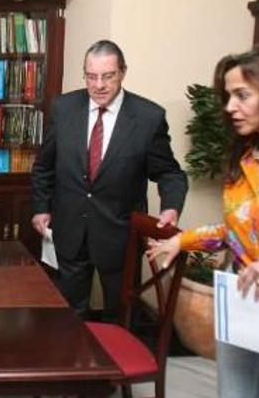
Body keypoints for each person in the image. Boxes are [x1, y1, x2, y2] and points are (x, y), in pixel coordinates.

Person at [148, 43, 259, 398]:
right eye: (228, 95)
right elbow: (240, 229)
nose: (229, 107)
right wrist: (181, 241)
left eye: (241, 95)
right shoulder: (246, 158)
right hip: (247, 297)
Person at [30, 39, 188, 319]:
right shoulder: (64, 108)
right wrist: (41, 207)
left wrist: (171, 207)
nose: (99, 85)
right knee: (69, 315)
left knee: (121, 315)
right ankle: (72, 361)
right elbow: (45, 165)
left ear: (123, 73)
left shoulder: (148, 117)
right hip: (69, 231)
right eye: (91, 76)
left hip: (120, 237)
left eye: (108, 76)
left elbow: (169, 173)